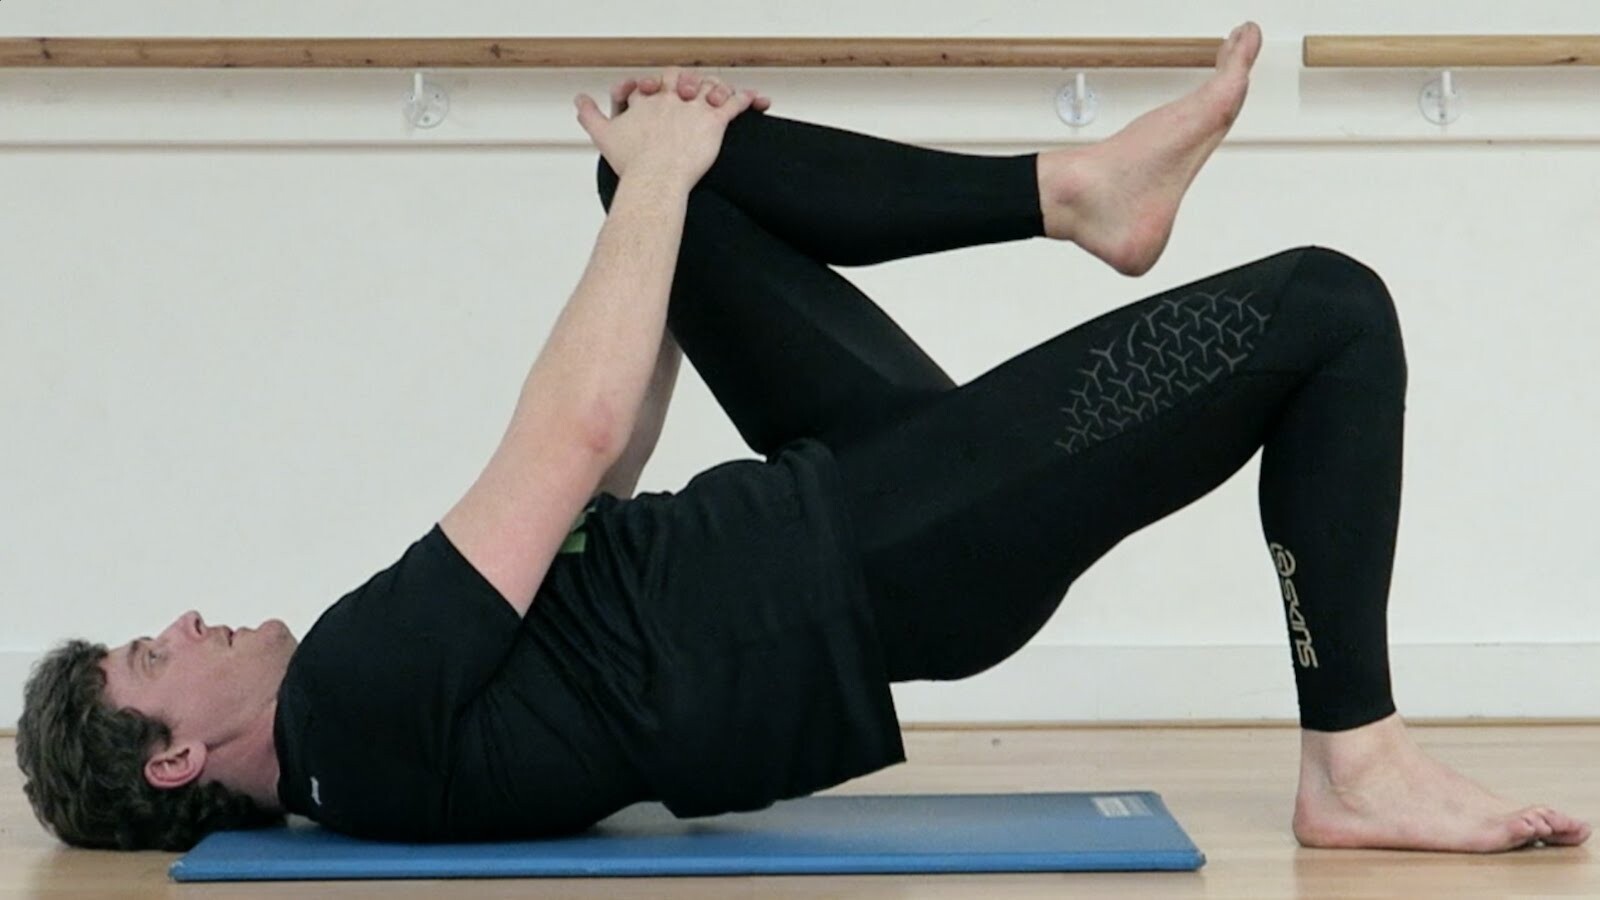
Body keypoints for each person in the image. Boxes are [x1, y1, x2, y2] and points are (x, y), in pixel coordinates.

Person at [15, 22, 1591, 855]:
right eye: (152, 657)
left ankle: (1078, 193)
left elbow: (600, 472)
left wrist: (659, 190)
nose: (183, 623)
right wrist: (655, 178)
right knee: (1329, 308)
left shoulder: (366, 736)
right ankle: (1355, 760)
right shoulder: (353, 693)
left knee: (673, 189)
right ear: (174, 755)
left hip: (849, 516)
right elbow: (568, 435)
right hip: (892, 558)